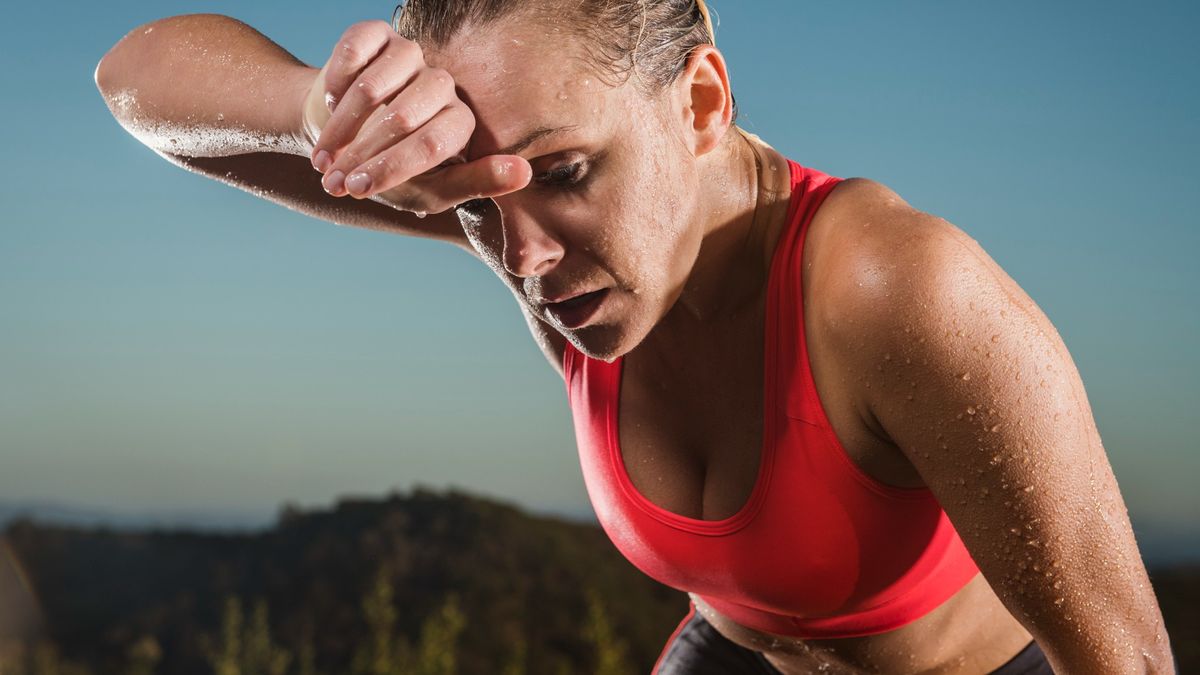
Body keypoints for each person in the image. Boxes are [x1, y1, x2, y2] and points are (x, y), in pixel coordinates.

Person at [94, 2, 1176, 673]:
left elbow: (1124, 657)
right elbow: (134, 78)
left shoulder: (896, 290)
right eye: (469, 201)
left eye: (564, 174)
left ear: (701, 102)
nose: (520, 257)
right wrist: (322, 111)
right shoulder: (523, 223)